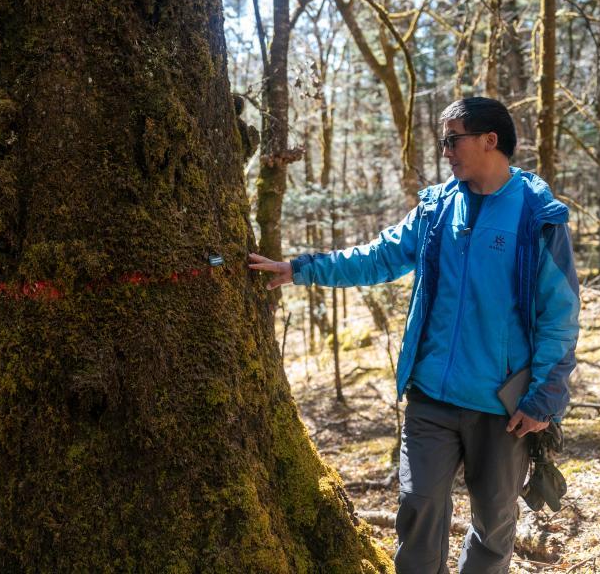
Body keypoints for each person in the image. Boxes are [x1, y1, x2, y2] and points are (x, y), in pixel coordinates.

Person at [248, 97, 580, 574]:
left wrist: (544, 396)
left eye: (452, 139)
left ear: (490, 140)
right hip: (431, 396)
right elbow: (378, 257)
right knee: (419, 505)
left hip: (503, 408)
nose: (445, 151)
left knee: (494, 524)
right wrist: (301, 269)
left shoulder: (536, 216)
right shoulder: (438, 209)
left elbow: (561, 314)